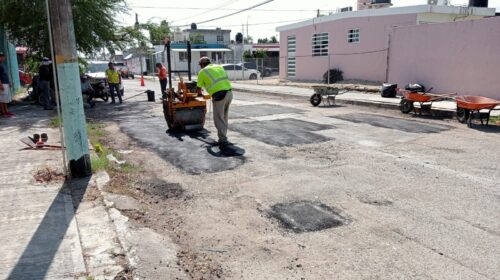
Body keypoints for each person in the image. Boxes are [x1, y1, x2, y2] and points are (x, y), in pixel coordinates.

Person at [196, 57, 233, 148]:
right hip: (229, 93)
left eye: (200, 65)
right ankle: (223, 137)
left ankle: (223, 140)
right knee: (224, 117)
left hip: (220, 96)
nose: (200, 67)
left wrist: (199, 94)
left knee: (218, 119)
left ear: (202, 64)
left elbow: (198, 88)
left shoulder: (203, 71)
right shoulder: (219, 67)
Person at [0, 52, 13, 117]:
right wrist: (0, 84)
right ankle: (3, 112)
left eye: (3, 56)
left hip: (6, 82)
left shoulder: (3, 64)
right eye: (1, 57)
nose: (2, 58)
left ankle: (6, 111)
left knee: (5, 98)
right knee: (2, 98)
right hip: (2, 83)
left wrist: (9, 81)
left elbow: (5, 74)